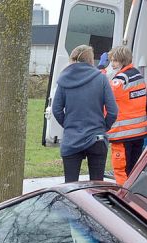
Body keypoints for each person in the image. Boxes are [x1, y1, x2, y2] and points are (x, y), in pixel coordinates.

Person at [52, 45, 118, 183]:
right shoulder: (101, 79)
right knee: (97, 185)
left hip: (72, 138)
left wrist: (68, 125)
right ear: (90, 60)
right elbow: (113, 111)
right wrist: (103, 127)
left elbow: (57, 109)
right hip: (97, 137)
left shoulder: (64, 80)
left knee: (70, 187)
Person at [106, 46, 147, 185]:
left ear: (122, 60)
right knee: (134, 168)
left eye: (115, 61)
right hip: (139, 131)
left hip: (122, 133)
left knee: (121, 169)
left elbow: (106, 97)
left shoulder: (120, 80)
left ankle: (123, 198)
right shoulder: (138, 76)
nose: (112, 64)